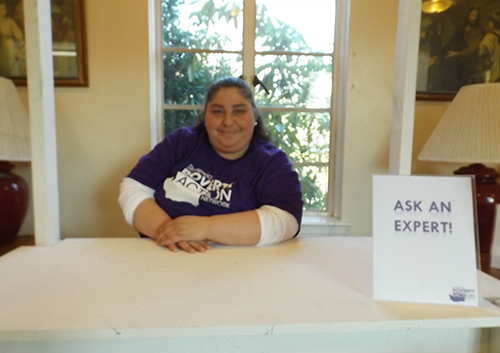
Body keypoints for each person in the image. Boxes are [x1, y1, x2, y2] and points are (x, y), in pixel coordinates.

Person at [119, 77, 303, 253]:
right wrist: (172, 232)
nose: (228, 121)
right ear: (205, 116)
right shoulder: (181, 142)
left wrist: (205, 227)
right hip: (163, 254)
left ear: (254, 116)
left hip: (234, 268)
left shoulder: (272, 161)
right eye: (217, 111)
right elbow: (133, 187)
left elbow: (286, 221)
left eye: (239, 111)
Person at [429, 7, 484, 91]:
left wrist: (457, 53)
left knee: (452, 65)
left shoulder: (478, 31)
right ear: (468, 16)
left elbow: (473, 48)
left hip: (467, 62)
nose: (474, 18)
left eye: (476, 16)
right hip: (454, 59)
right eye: (472, 15)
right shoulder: (461, 30)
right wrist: (436, 57)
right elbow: (451, 44)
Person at [0, 1, 25, 77]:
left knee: (10, 65)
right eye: (1, 8)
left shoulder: (9, 21)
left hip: (8, 45)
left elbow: (18, 34)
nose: (3, 11)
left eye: (4, 9)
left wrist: (21, 44)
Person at [479, 11, 500, 83]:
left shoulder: (490, 37)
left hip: (496, 74)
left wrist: (485, 67)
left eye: (490, 22)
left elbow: (484, 52)